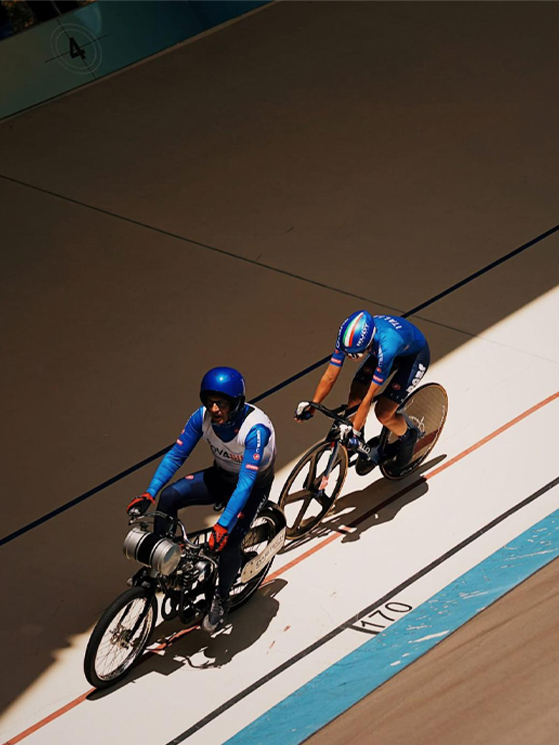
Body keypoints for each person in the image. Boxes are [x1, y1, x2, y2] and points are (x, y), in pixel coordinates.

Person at [127, 366, 276, 633]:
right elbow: (176, 456)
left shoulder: (255, 431)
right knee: (169, 497)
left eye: (221, 403)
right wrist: (150, 492)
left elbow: (245, 484)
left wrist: (223, 525)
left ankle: (222, 599)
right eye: (209, 402)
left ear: (237, 403)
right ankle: (163, 566)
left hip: (252, 488)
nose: (214, 409)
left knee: (229, 543)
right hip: (221, 477)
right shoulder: (202, 417)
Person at [295, 310, 430, 469]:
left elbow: (368, 398)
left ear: (368, 344)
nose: (349, 357)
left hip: (413, 358)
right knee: (356, 392)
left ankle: (408, 437)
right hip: (385, 349)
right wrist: (314, 405)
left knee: (383, 412)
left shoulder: (387, 346)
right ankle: (358, 442)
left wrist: (354, 432)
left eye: (353, 355)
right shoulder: (346, 337)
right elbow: (330, 376)